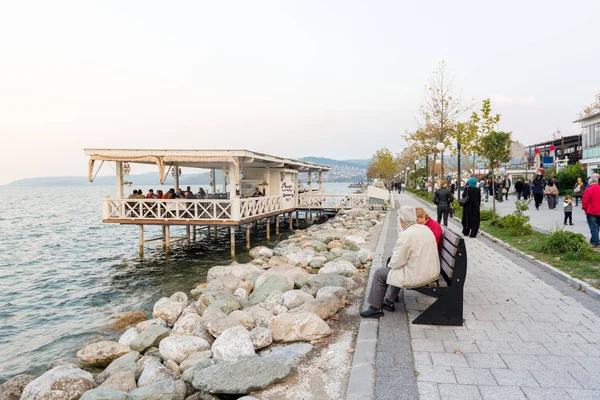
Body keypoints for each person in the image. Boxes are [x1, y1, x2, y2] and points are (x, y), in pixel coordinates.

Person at [360, 206, 440, 318]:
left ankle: (375, 308)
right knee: (392, 267)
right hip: (431, 270)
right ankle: (389, 301)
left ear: (401, 220)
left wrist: (391, 264)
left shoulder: (407, 234)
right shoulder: (425, 228)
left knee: (380, 273)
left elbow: (396, 263)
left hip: (419, 274)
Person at [582, 176, 600, 248]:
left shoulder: (589, 190)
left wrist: (585, 209)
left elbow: (585, 201)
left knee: (593, 227)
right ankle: (593, 241)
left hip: (591, 211)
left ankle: (597, 243)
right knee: (597, 226)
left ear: (590, 182)